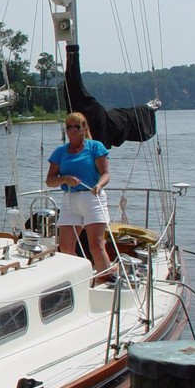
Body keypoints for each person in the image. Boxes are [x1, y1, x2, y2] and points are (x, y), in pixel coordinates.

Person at [45, 111, 115, 283]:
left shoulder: (95, 147)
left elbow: (105, 173)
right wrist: (65, 179)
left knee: (96, 244)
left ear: (84, 129)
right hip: (70, 199)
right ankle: (80, 277)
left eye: (77, 126)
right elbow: (50, 181)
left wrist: (99, 185)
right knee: (66, 247)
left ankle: (106, 278)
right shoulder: (60, 152)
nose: (73, 130)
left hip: (92, 197)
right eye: (69, 127)